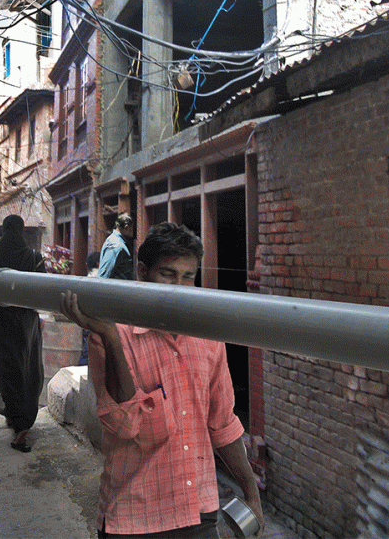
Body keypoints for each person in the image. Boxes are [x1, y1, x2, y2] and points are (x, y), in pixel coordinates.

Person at [60, 222, 265, 538]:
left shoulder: (208, 336)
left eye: (188, 278)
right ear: (142, 272)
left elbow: (222, 423)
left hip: (199, 511)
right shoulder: (111, 333)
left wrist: (250, 490)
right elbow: (124, 425)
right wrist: (112, 338)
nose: (178, 288)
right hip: (134, 518)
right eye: (168, 275)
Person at [0, 215, 46, 453]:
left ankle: (18, 423)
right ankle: (22, 423)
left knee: (7, 374)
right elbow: (43, 290)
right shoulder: (34, 258)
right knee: (29, 373)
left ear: (4, 231)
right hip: (27, 327)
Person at [78, 251, 102, 366]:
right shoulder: (100, 278)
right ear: (98, 264)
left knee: (86, 349)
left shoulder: (88, 278)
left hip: (86, 318)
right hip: (95, 320)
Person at [97, 213, 134, 280]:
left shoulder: (113, 239)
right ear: (127, 227)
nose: (133, 232)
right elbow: (104, 276)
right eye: (132, 228)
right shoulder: (116, 245)